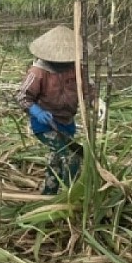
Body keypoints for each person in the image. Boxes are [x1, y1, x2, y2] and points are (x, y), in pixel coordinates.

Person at [17, 25, 92, 195]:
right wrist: (36, 111)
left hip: (66, 123)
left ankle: (49, 194)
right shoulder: (38, 72)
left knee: (56, 158)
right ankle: (70, 196)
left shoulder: (77, 69)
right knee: (72, 157)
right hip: (45, 124)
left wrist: (97, 101)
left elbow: (88, 90)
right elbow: (22, 97)